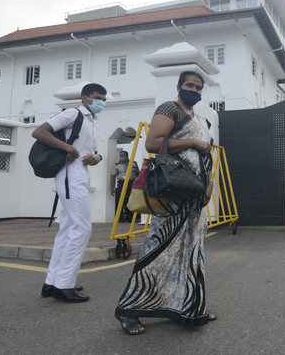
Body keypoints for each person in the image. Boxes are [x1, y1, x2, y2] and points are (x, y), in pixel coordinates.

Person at [115, 71, 215, 335]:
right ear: (179, 87)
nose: (194, 89)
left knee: (191, 252)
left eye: (198, 86)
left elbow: (207, 158)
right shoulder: (170, 109)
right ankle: (130, 310)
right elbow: (153, 142)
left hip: (195, 196)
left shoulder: (202, 119)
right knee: (159, 248)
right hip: (174, 194)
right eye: (189, 85)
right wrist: (193, 141)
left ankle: (189, 306)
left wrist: (209, 187)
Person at [33, 83, 107, 303]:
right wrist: (69, 148)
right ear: (85, 98)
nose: (101, 102)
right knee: (82, 227)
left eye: (104, 98)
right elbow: (39, 132)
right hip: (69, 173)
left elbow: (90, 151)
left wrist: (98, 157)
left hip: (82, 173)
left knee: (67, 228)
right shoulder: (71, 114)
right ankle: (64, 285)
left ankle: (52, 282)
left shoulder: (93, 121)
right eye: (97, 97)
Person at [111, 151, 139, 222]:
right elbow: (113, 176)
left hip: (131, 183)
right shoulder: (117, 165)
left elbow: (137, 174)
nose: (121, 158)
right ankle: (120, 219)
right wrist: (112, 187)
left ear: (127, 156)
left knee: (131, 200)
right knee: (120, 200)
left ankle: (130, 218)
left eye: (122, 156)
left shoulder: (134, 164)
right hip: (121, 183)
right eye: (120, 156)